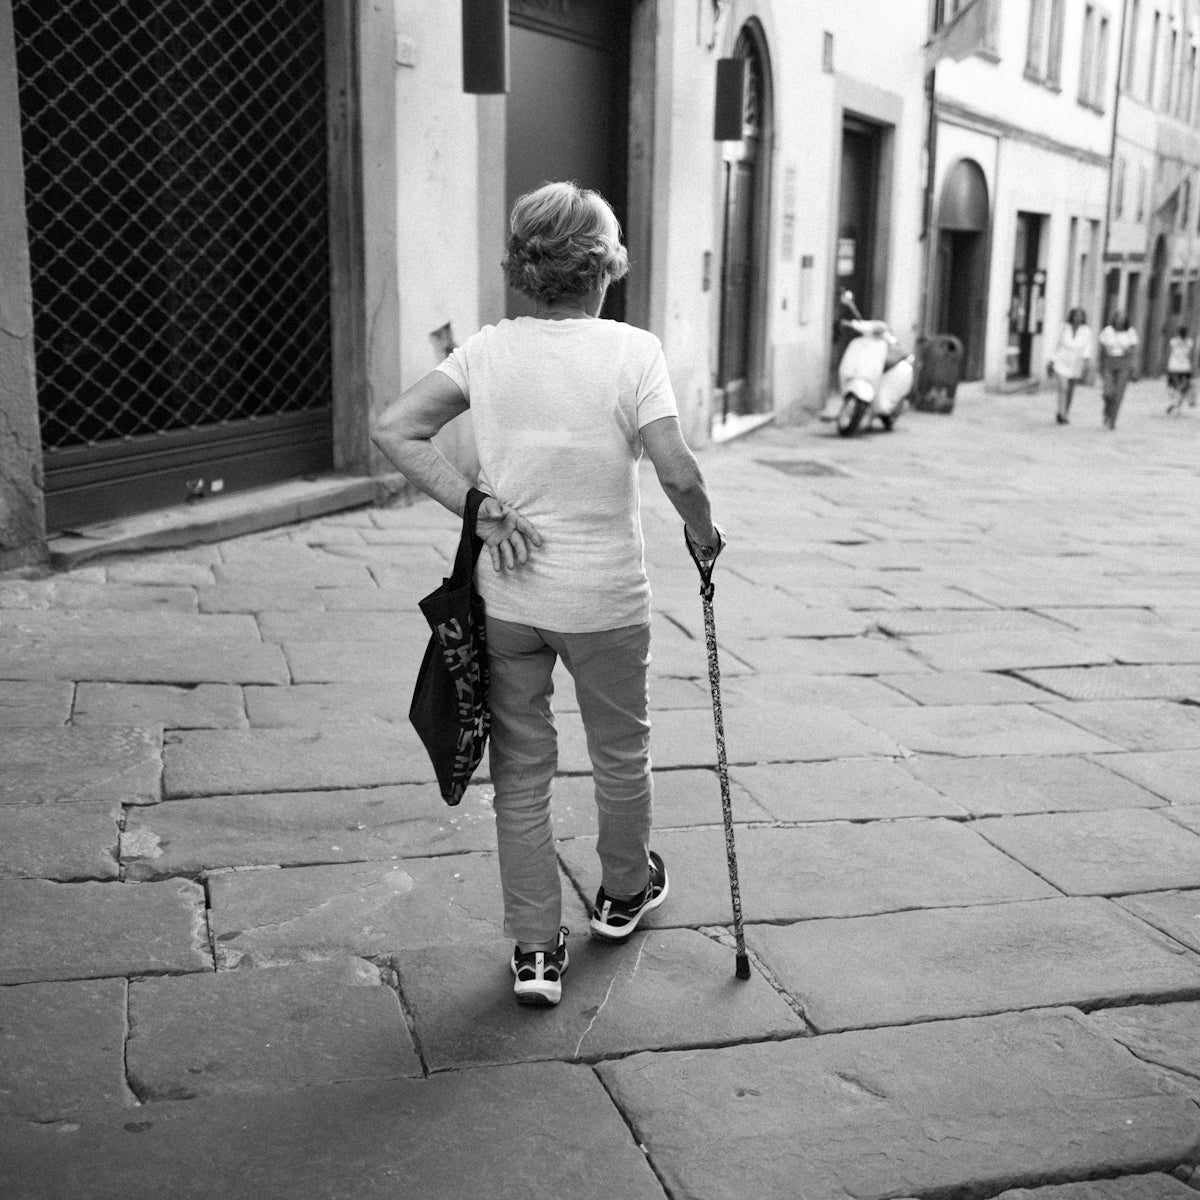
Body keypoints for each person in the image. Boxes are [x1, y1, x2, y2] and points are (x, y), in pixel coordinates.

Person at [371, 181, 722, 1008]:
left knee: (522, 772)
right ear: (604, 266)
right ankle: (623, 892)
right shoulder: (632, 352)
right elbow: (676, 470)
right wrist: (702, 533)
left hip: (511, 602)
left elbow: (396, 428)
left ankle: (534, 950)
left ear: (529, 268)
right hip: (604, 603)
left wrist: (477, 506)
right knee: (620, 753)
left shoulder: (488, 350)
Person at [1049, 307, 1093, 425]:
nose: (1078, 318)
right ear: (1071, 316)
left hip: (1076, 363)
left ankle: (1065, 412)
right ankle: (1061, 412)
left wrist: (1086, 363)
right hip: (1061, 360)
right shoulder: (1063, 327)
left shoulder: (1086, 330)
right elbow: (1056, 343)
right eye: (1076, 315)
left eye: (1080, 315)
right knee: (1063, 387)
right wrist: (1052, 359)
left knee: (1070, 389)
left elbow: (1088, 347)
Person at [1097, 309, 1139, 429]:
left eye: (1123, 317)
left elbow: (1134, 350)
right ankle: (1107, 410)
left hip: (1124, 362)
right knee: (1108, 392)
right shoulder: (1107, 331)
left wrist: (1134, 365)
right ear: (1114, 319)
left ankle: (1112, 420)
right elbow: (1102, 347)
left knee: (1119, 393)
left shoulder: (1130, 332)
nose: (1120, 320)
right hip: (1109, 361)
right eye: (1118, 317)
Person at [1165, 323, 1196, 414]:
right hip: (1185, 368)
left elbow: (1169, 353)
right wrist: (1193, 368)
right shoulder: (1190, 342)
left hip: (1173, 367)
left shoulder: (1173, 341)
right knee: (1184, 387)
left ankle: (1174, 402)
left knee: (1173, 386)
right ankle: (1178, 405)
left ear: (1178, 333)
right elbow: (1191, 356)